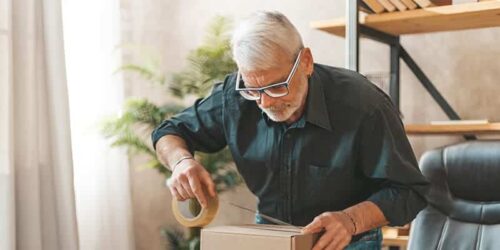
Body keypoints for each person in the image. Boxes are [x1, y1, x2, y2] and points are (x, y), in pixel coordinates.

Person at [152, 11, 429, 250]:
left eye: (276, 86)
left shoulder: (364, 104)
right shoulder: (235, 97)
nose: (265, 102)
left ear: (306, 61)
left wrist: (350, 220)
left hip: (346, 238)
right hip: (270, 233)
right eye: (253, 90)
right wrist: (181, 161)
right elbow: (170, 131)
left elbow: (409, 192)